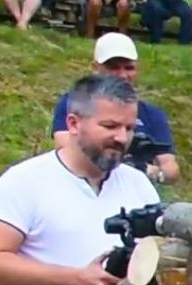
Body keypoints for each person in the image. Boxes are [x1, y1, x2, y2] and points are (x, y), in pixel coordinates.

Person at [0, 75, 160, 285]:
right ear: (73, 123)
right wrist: (75, 278)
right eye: (110, 126)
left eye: (129, 128)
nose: (121, 138)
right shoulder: (25, 182)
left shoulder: (137, 184)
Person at [51, 33, 181, 187]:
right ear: (95, 68)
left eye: (129, 68)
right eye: (113, 67)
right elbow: (64, 144)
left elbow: (171, 168)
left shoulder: (152, 114)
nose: (122, 75)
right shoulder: (74, 102)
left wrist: (150, 172)